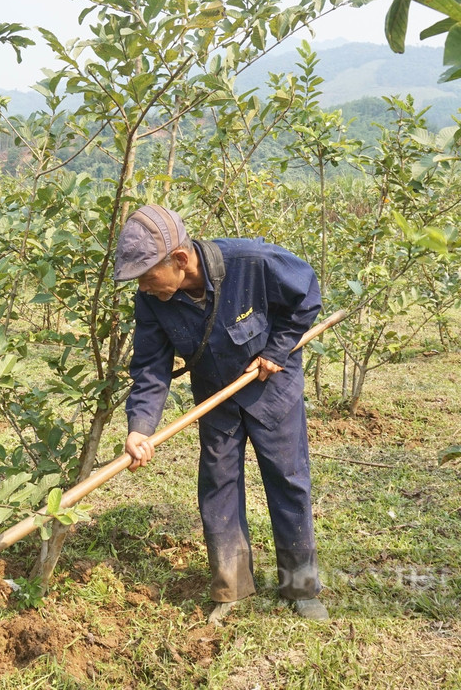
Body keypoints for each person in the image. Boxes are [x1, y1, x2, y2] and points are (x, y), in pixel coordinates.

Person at [113, 204, 327, 624]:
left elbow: (306, 296)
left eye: (146, 275)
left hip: (272, 388)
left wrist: (276, 350)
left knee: (288, 481)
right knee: (218, 485)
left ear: (179, 259)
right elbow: (151, 368)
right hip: (215, 395)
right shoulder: (153, 299)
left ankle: (301, 587)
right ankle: (231, 586)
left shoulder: (251, 261)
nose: (143, 286)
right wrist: (140, 428)